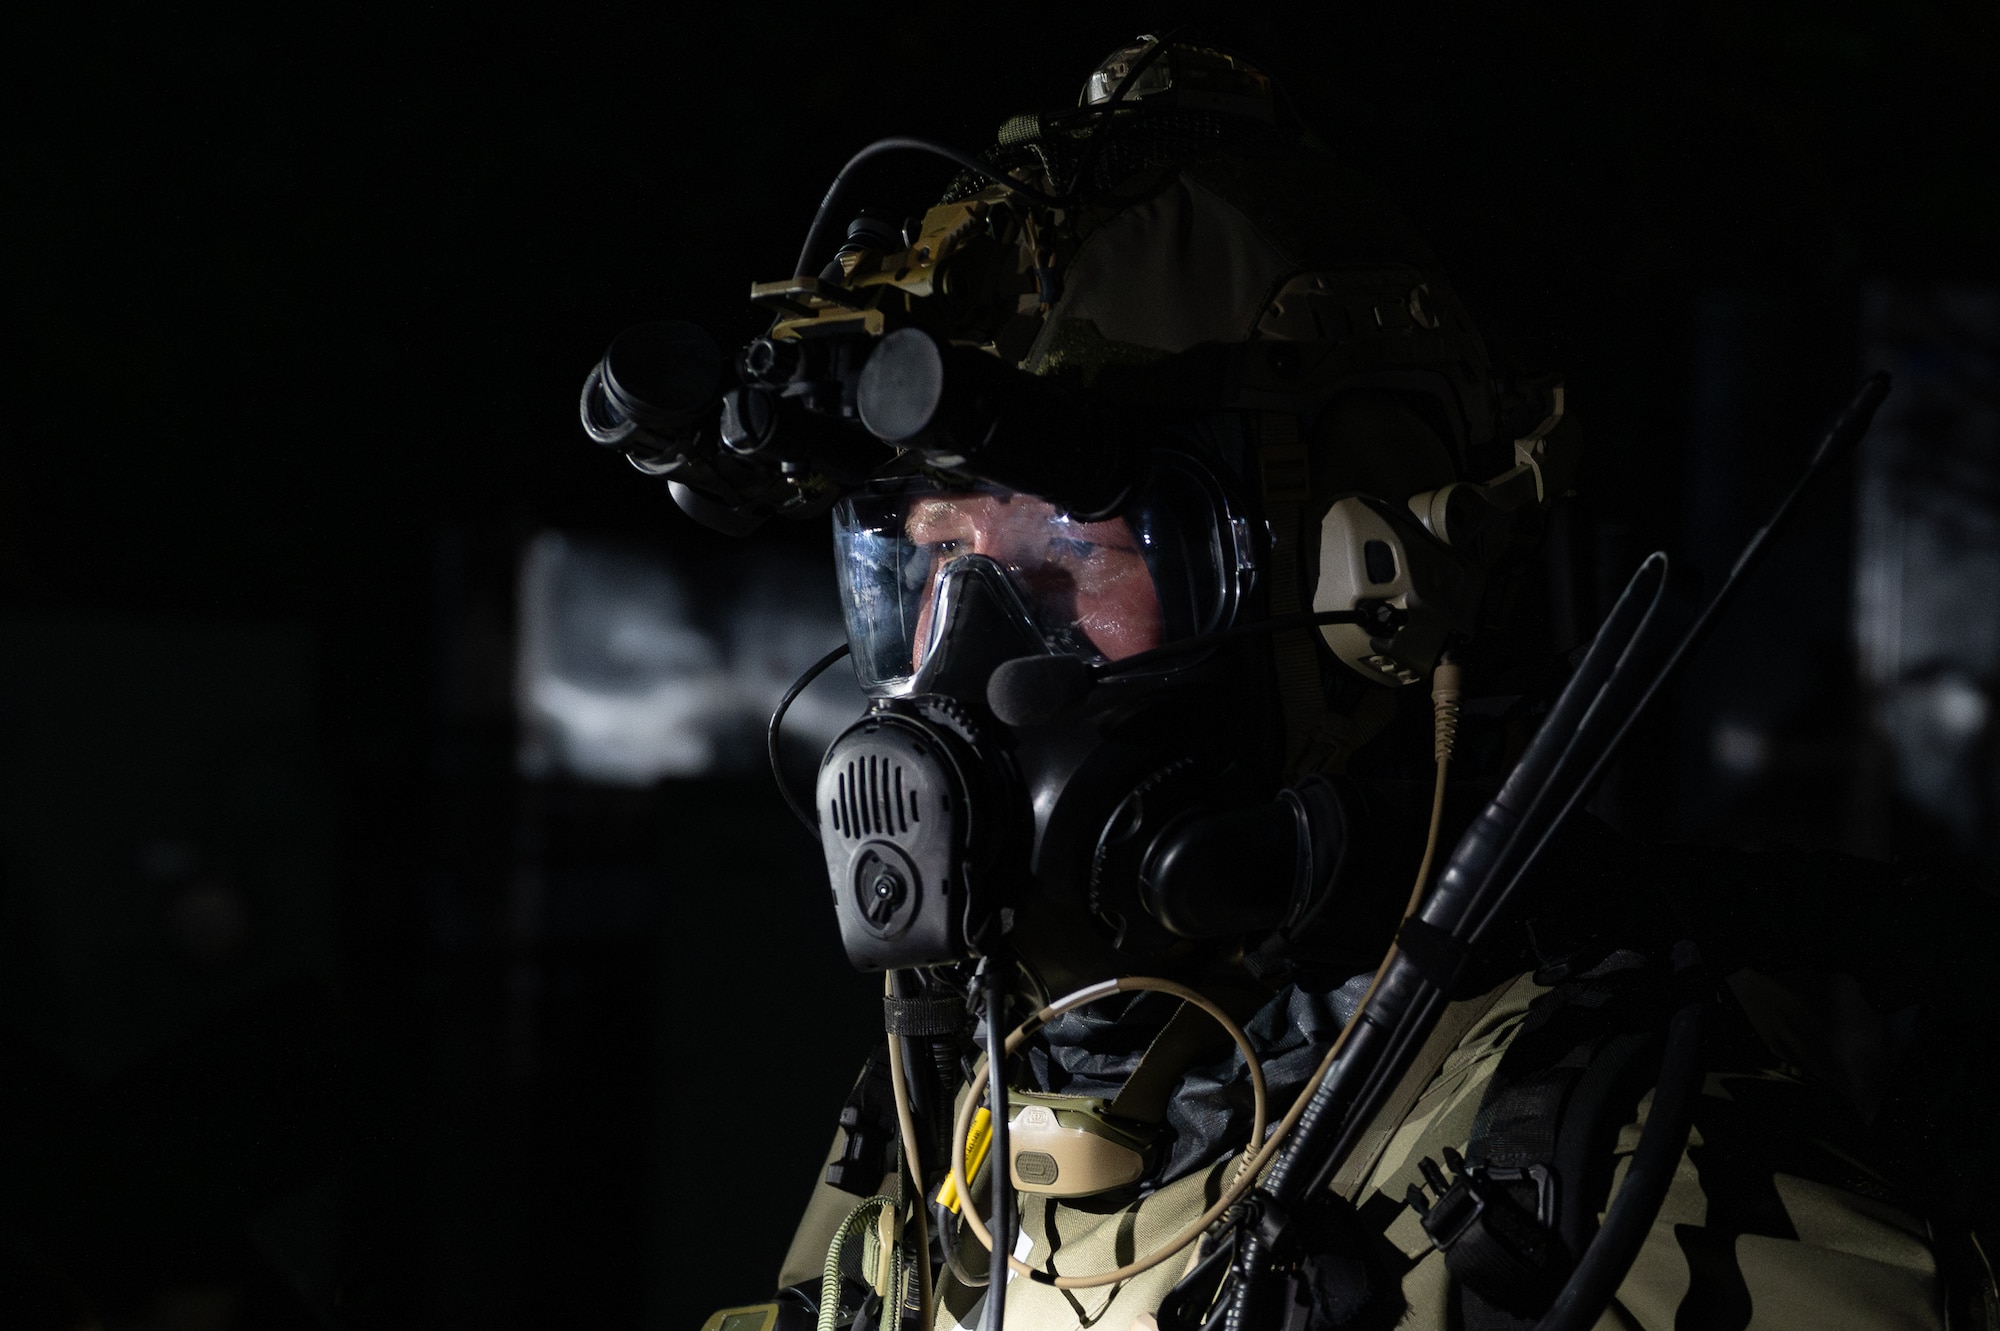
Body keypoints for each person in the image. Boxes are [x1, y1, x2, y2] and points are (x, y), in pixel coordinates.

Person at [584, 34, 1995, 1331]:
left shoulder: (1602, 1197)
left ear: (1354, 588)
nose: (964, 653)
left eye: (1070, 547)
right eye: (927, 560)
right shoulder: (960, 1109)